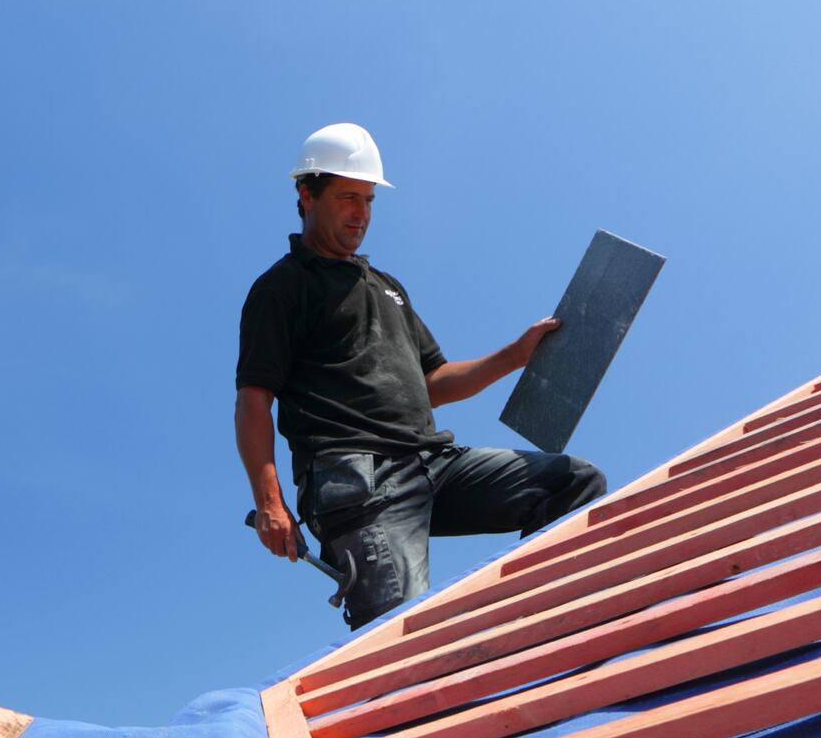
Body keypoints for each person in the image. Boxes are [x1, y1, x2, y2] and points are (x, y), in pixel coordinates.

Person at [234, 122, 606, 629]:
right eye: (348, 197)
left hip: (433, 462)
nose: (362, 214)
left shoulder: (387, 288)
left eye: (369, 199)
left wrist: (516, 355)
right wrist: (270, 503)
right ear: (307, 194)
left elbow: (433, 383)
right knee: (405, 635)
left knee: (573, 483)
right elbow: (254, 401)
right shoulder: (282, 287)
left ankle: (535, 636)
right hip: (359, 478)